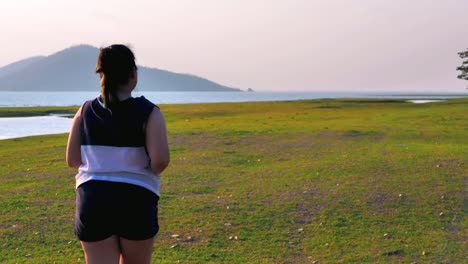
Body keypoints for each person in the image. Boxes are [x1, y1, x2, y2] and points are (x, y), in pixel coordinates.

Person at [66, 44, 170, 264]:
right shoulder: (149, 112)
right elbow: (160, 160)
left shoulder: (84, 110)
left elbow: (72, 160)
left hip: (93, 199)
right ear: (133, 73)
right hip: (136, 199)